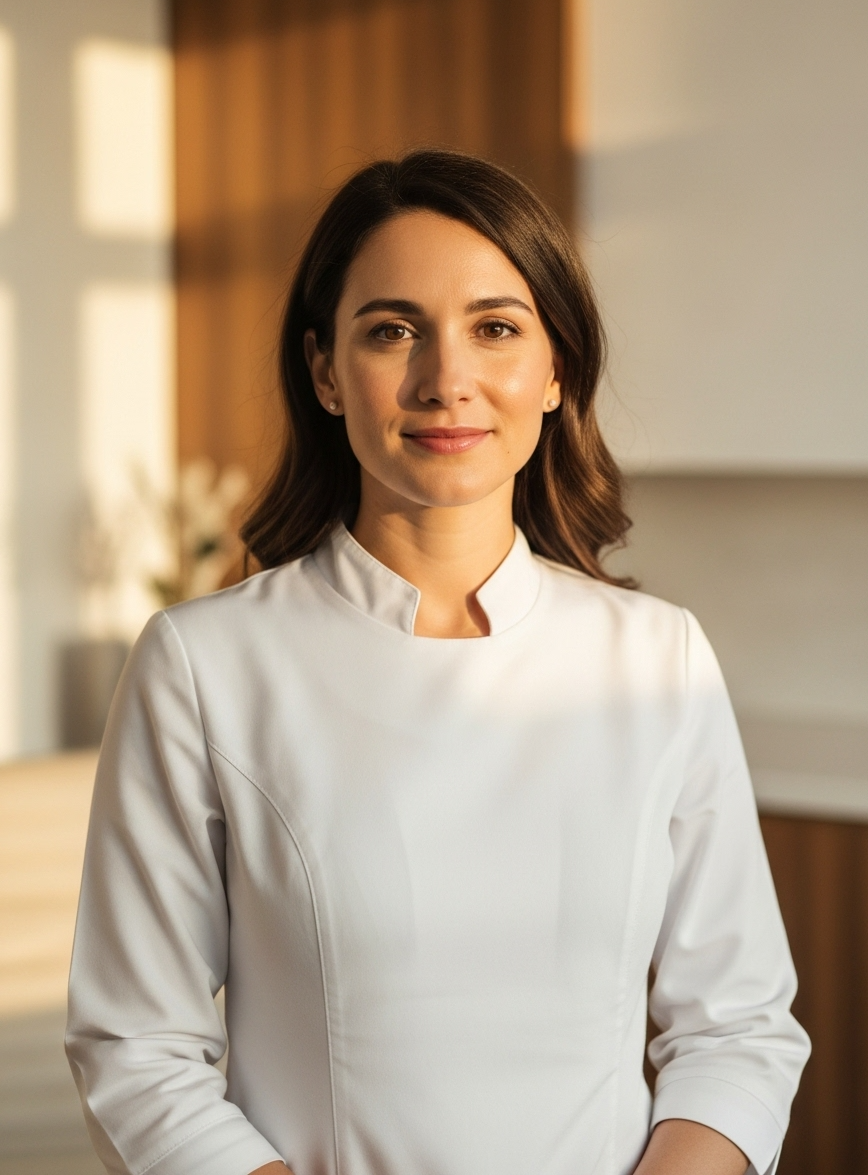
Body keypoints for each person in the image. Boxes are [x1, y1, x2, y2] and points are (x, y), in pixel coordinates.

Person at [66, 150, 810, 1175]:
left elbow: (736, 1029)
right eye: (390, 330)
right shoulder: (204, 664)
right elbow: (137, 1044)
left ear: (554, 370)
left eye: (494, 327)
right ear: (326, 370)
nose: (445, 379)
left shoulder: (656, 657)